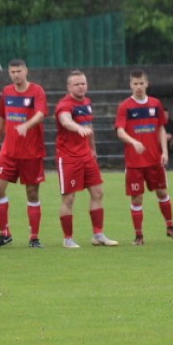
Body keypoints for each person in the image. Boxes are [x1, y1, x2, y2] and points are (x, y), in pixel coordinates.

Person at [115, 70, 173, 245]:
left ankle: (170, 226)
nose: (138, 87)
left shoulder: (155, 104)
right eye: (135, 84)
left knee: (162, 192)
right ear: (130, 85)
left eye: (141, 83)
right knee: (137, 197)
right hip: (135, 162)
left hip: (154, 159)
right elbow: (120, 131)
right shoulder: (125, 106)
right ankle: (139, 235)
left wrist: (165, 152)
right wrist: (133, 141)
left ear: (147, 84)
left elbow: (161, 128)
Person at [0, 59, 48, 249]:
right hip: (9, 151)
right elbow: (2, 117)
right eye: (12, 71)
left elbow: (40, 115)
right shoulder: (6, 92)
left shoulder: (37, 91)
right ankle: (4, 233)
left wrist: (26, 125)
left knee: (32, 192)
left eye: (19, 71)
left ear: (26, 71)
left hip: (31, 151)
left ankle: (34, 237)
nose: (16, 75)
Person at [54, 70, 118, 248]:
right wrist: (77, 128)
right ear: (69, 87)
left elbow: (89, 125)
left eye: (83, 83)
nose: (81, 87)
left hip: (86, 156)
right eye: (76, 84)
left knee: (98, 193)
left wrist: (93, 149)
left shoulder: (87, 102)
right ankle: (68, 239)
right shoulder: (64, 104)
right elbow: (65, 120)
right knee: (69, 199)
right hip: (68, 157)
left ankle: (98, 235)